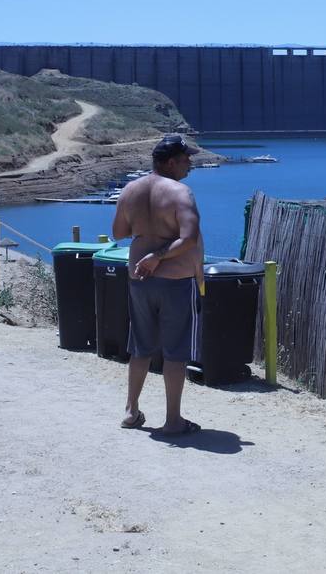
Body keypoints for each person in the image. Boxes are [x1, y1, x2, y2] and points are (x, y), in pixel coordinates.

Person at [112, 134, 204, 435]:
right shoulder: (181, 193)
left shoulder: (130, 190)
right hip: (175, 280)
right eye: (184, 158)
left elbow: (119, 232)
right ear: (168, 162)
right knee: (176, 351)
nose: (190, 162)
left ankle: (131, 410)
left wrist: (147, 236)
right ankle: (173, 421)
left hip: (139, 279)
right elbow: (188, 237)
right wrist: (159, 254)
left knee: (141, 347)